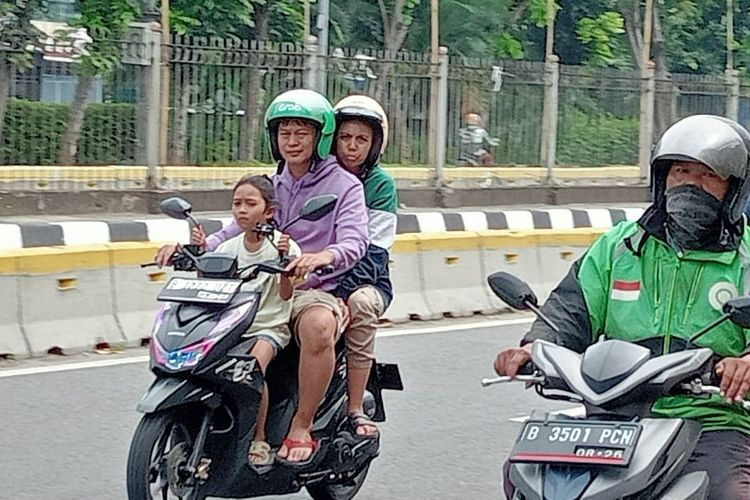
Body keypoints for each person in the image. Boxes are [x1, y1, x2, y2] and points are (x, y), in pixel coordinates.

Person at [493, 114, 750, 500]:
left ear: (733, 190)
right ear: (662, 178)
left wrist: (744, 363)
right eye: (681, 172)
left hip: (709, 419)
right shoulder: (618, 246)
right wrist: (534, 347)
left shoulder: (745, 257)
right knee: (524, 473)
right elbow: (570, 309)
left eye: (708, 176)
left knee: (728, 493)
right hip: (613, 418)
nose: (691, 186)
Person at [161, 89, 369, 464]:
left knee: (319, 326)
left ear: (320, 137)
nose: (292, 141)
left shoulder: (344, 185)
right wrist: (193, 249)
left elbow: (355, 242)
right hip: (258, 288)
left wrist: (320, 257)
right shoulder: (271, 183)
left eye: (301, 133)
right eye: (284, 133)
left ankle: (301, 424)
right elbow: (236, 229)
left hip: (311, 290)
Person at [214, 174, 299, 466]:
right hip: (232, 327)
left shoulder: (283, 246)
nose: (241, 210)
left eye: (250, 203)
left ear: (269, 211)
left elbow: (287, 295)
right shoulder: (228, 249)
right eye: (237, 203)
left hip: (268, 328)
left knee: (251, 371)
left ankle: (259, 438)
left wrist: (285, 264)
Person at [330, 95, 398, 438]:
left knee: (359, 306)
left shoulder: (380, 186)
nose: (352, 147)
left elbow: (375, 253)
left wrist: (340, 293)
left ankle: (355, 406)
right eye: (345, 138)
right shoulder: (319, 175)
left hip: (365, 279)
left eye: (361, 140)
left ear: (374, 145)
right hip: (318, 276)